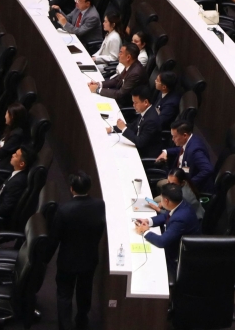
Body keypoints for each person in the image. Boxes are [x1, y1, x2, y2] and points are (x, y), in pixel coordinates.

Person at [50, 171, 106, 330]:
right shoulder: (100, 205)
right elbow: (99, 229)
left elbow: (55, 237)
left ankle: (65, 326)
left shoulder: (64, 210)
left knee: (64, 294)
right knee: (85, 291)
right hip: (89, 258)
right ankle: (82, 321)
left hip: (67, 260)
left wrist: (45, 257)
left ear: (71, 189)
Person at [156, 121, 214, 192]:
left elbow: (208, 169)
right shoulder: (189, 140)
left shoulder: (196, 151)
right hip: (179, 177)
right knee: (159, 184)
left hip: (191, 188)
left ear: (184, 135)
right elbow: (182, 149)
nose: (172, 139)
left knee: (156, 199)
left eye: (175, 136)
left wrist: (189, 183)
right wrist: (166, 152)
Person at [108, 85, 163, 158]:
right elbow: (134, 125)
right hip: (137, 149)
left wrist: (124, 129)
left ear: (145, 102)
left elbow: (140, 142)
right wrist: (113, 129)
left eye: (136, 102)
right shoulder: (146, 111)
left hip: (145, 155)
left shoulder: (151, 120)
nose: (133, 105)